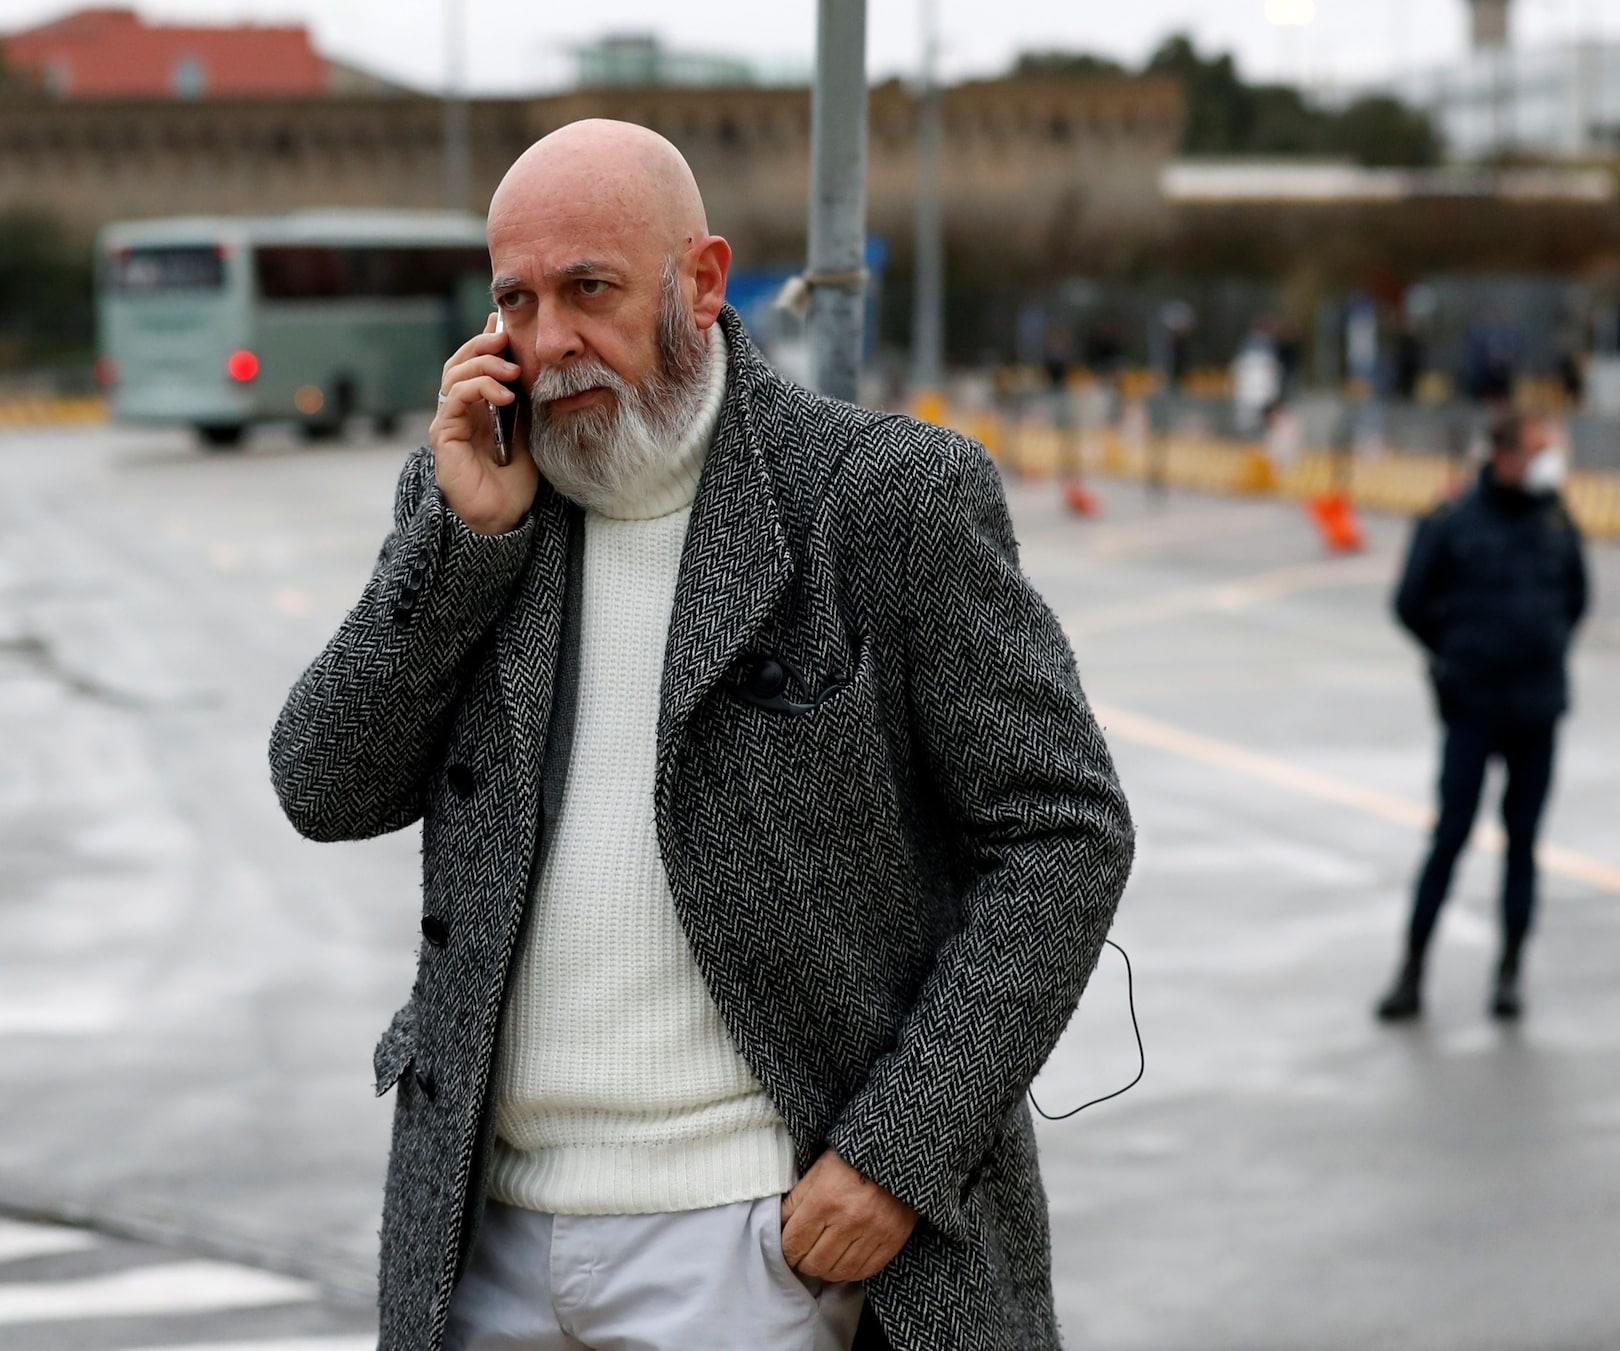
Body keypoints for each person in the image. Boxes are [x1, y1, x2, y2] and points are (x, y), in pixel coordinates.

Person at [268, 120, 1135, 1351]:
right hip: (484, 1241)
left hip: (754, 1247)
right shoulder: (471, 498)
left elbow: (1062, 831)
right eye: (515, 301)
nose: (547, 341)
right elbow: (322, 784)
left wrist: (896, 1154)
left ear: (702, 279)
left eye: (589, 290)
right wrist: (461, 548)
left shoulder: (880, 498)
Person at [1376, 411, 1589, 1023]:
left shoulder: (1555, 517)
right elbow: (1409, 603)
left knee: (1523, 843)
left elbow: (1578, 597)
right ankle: (1412, 973)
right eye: (1538, 450)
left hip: (1537, 708)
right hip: (1473, 707)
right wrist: (1456, 654)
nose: (1549, 462)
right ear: (1505, 456)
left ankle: (1510, 974)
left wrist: (1542, 645)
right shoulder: (1453, 520)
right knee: (1450, 837)